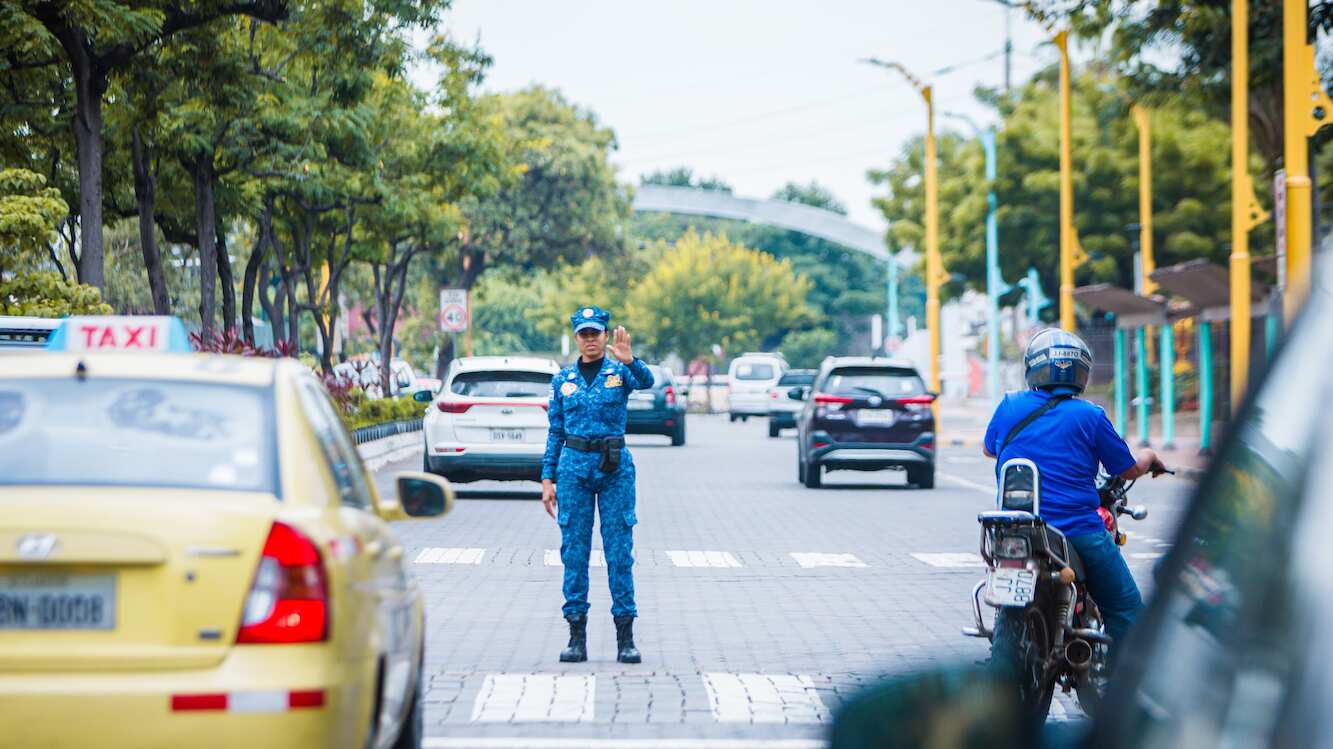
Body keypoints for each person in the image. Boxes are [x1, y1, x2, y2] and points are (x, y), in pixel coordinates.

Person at [982, 328, 1166, 659]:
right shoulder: (1090, 416)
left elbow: (989, 449)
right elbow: (1126, 469)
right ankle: (1124, 693)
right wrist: (1149, 457)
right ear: (1081, 372)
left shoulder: (1009, 405)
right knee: (1126, 608)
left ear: (1033, 367)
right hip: (1078, 530)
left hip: (1017, 529)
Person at [541, 305, 654, 664]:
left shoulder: (620, 373)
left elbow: (649, 381)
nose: (590, 340)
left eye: (596, 333)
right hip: (573, 467)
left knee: (619, 552)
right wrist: (547, 477)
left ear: (606, 335)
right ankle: (576, 637)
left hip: (614, 468)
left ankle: (625, 637)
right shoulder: (563, 380)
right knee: (574, 551)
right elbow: (555, 431)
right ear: (576, 338)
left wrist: (631, 360)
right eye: (584, 334)